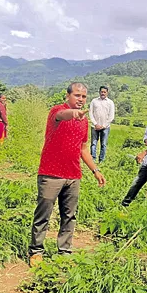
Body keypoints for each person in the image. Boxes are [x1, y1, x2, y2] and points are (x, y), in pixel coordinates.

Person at [29, 82, 106, 265]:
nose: (80, 99)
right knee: (43, 214)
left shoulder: (84, 122)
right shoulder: (57, 111)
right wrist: (73, 114)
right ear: (68, 96)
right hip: (51, 173)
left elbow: (83, 149)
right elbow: (62, 115)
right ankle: (36, 251)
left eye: (84, 97)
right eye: (77, 95)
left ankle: (64, 251)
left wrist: (95, 170)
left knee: (69, 215)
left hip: (73, 175)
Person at [89, 86, 115, 163]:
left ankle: (101, 160)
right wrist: (95, 124)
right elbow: (91, 113)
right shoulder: (94, 101)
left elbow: (111, 116)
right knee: (93, 143)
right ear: (99, 92)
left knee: (103, 144)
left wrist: (103, 125)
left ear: (107, 93)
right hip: (95, 127)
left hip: (105, 127)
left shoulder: (110, 102)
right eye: (102, 92)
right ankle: (92, 159)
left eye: (104, 92)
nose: (103, 93)